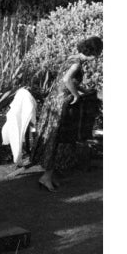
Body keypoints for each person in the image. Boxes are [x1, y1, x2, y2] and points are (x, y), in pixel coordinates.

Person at [32, 36, 103, 192]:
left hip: (54, 101)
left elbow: (70, 81)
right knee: (58, 138)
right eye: (98, 53)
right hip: (61, 104)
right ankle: (46, 177)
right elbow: (66, 80)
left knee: (54, 138)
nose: (97, 57)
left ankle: (50, 175)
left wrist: (83, 90)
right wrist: (76, 95)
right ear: (93, 52)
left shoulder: (72, 58)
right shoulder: (77, 64)